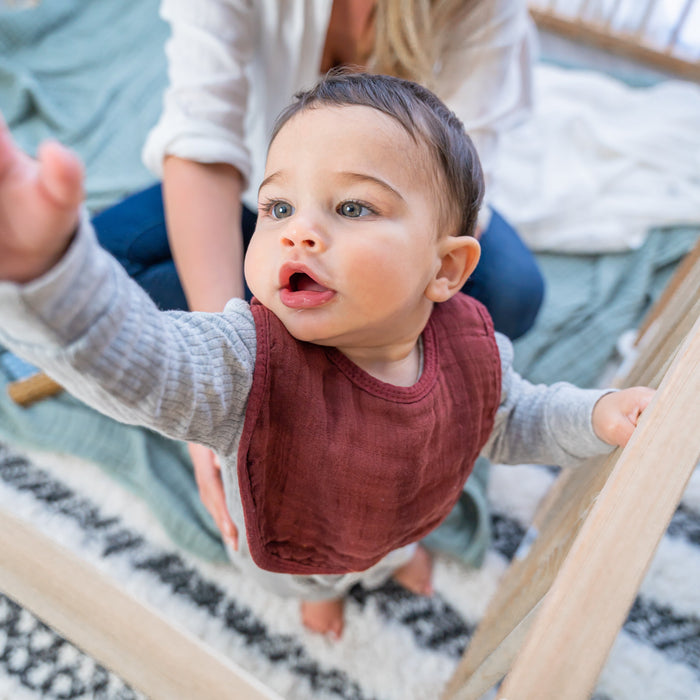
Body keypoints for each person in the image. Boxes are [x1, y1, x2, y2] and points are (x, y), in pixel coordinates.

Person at [0, 72, 652, 639]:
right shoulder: (247, 361)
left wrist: (599, 416)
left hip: (405, 509)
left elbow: (516, 419)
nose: (297, 231)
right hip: (299, 546)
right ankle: (326, 596)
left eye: (352, 206)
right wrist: (52, 273)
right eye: (277, 206)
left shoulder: (470, 347)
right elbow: (143, 361)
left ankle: (394, 556)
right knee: (308, 583)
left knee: (399, 535)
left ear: (447, 268)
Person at [91, 0, 545, 548]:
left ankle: (326, 256)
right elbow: (201, 139)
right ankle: (291, 248)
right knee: (97, 273)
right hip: (258, 191)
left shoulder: (483, 10)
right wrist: (220, 362)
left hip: (405, 220)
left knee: (512, 293)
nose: (305, 238)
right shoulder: (282, 217)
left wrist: (386, 339)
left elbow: (462, 190)